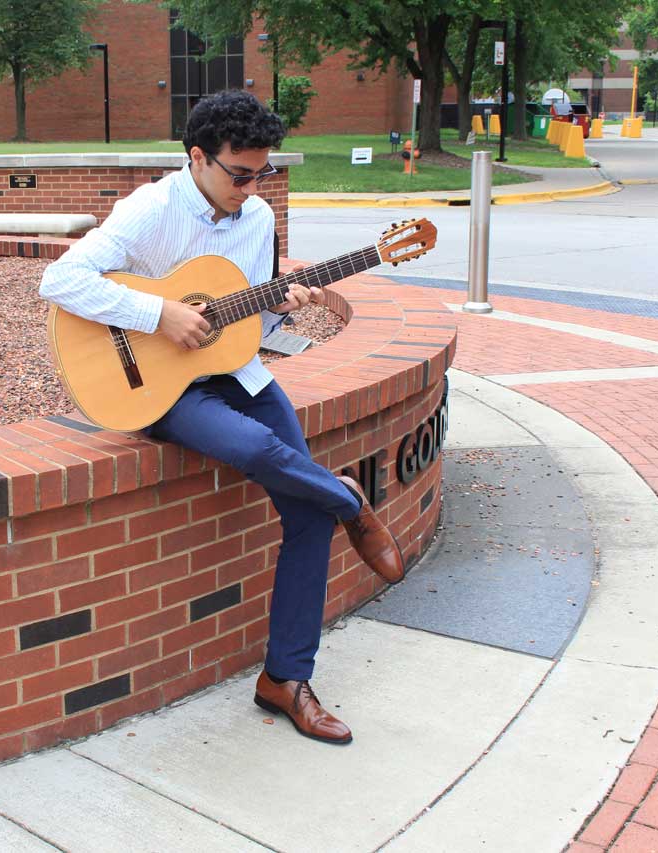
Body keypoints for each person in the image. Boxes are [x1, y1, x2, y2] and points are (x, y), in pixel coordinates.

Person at [39, 90, 403, 745]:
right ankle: (348, 497)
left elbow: (242, 323)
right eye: (239, 173)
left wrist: (284, 307)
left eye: (261, 171)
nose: (251, 186)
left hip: (235, 373)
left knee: (304, 513)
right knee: (265, 455)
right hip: (160, 389)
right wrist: (159, 314)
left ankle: (284, 679)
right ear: (197, 157)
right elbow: (61, 280)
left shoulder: (256, 217)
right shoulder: (151, 209)